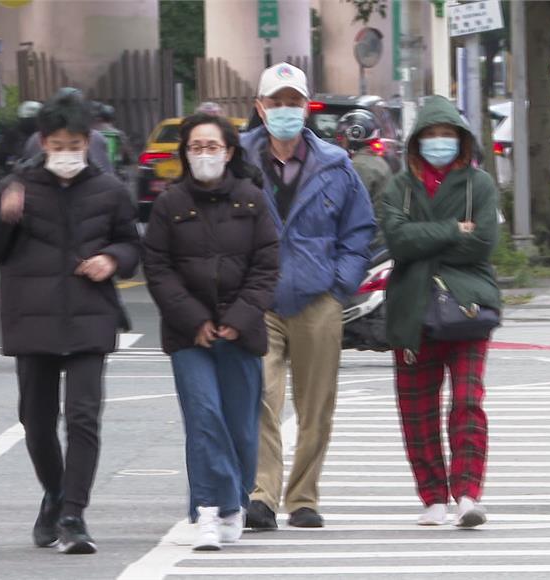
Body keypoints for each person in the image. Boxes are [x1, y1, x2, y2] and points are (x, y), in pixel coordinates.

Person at [0, 91, 139, 554]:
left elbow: (131, 244)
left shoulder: (109, 189)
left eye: (75, 145)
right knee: (37, 422)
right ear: (43, 142)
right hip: (32, 319)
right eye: (58, 145)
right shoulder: (15, 187)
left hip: (90, 317)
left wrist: (112, 259)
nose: (67, 154)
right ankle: (55, 493)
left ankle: (73, 516)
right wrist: (4, 218)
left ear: (88, 142)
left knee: (83, 418)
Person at [240, 62, 375, 530]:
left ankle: (303, 497)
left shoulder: (336, 165)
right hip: (258, 300)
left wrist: (340, 285)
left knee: (316, 405)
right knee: (261, 396)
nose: (285, 110)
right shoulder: (239, 161)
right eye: (275, 102)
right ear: (260, 108)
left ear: (307, 106)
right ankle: (261, 494)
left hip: (318, 299)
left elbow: (359, 230)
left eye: (293, 102)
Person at [142, 113, 279, 551]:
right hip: (190, 336)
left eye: (212, 146)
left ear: (229, 152)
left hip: (241, 333)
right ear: (185, 153)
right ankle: (207, 509)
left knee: (240, 428)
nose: (204, 154)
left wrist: (238, 320)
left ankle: (234, 502)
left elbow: (266, 267)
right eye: (196, 147)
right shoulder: (170, 203)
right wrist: (194, 320)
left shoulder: (252, 200)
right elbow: (158, 268)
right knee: (204, 418)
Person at [380, 95, 501, 528]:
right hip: (412, 308)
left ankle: (467, 493)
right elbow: (397, 241)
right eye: (430, 134)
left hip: (468, 307)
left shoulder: (478, 184)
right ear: (416, 142)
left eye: (447, 134)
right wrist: (452, 229)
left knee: (468, 402)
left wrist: (424, 238)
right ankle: (432, 497)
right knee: (417, 410)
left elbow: (482, 242)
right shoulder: (398, 187)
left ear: (461, 139)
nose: (438, 142)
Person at [336, 109, 392, 249]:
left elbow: (350, 210)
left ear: (355, 135)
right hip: (381, 238)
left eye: (343, 136)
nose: (341, 141)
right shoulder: (375, 161)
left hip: (370, 243)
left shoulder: (359, 166)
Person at [21, 88, 113, 174]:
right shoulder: (96, 137)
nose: (66, 155)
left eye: (74, 147)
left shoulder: (35, 138)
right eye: (57, 147)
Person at [0, 100, 42, 171]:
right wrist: (11, 163)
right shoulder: (12, 134)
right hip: (19, 172)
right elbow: (3, 157)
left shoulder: (44, 134)